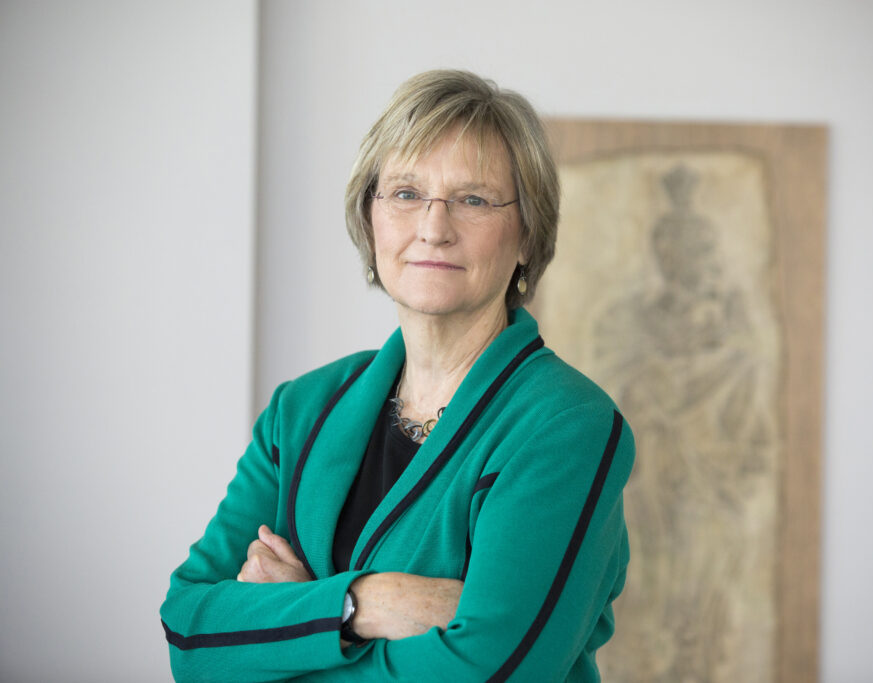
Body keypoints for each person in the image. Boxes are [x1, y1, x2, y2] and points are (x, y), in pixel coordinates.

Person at [160, 69, 635, 682]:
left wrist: (282, 633)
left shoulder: (566, 427)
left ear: (527, 235)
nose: (433, 227)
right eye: (407, 193)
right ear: (371, 217)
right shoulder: (301, 411)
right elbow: (190, 633)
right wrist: (363, 603)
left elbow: (491, 674)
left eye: (473, 199)